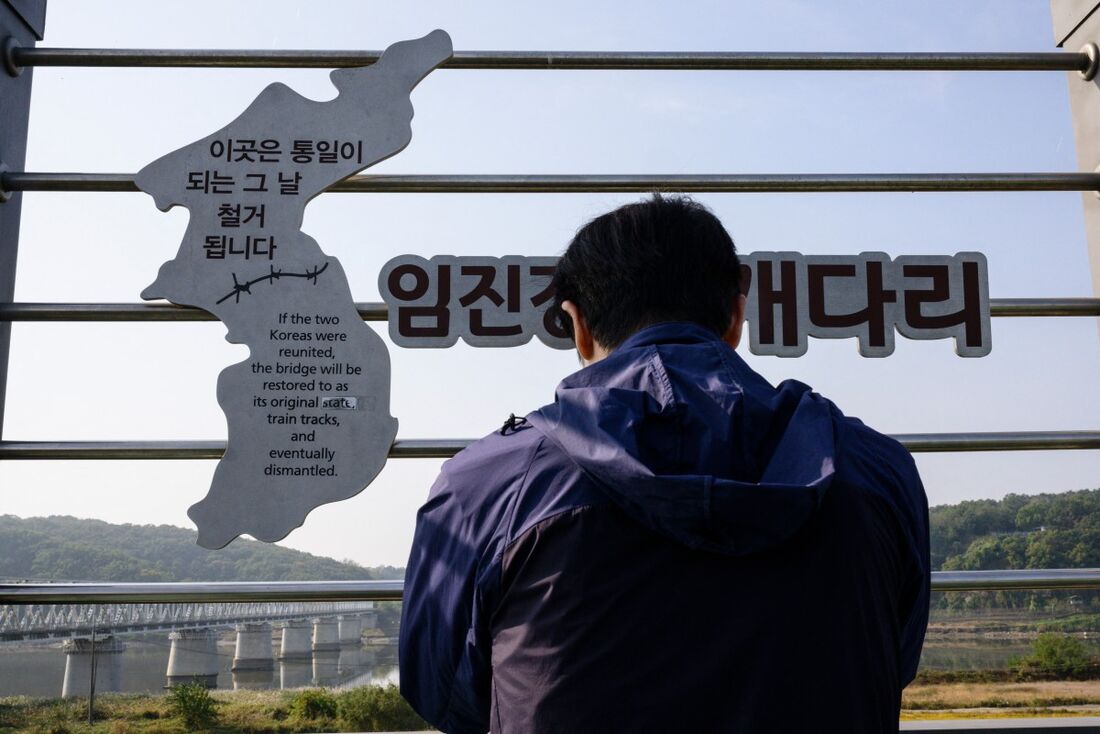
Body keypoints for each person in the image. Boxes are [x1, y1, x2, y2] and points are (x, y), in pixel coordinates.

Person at [400, 194, 930, 734]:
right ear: (735, 318)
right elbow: (893, 659)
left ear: (577, 326)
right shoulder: (875, 470)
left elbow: (444, 692)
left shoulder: (488, 484)